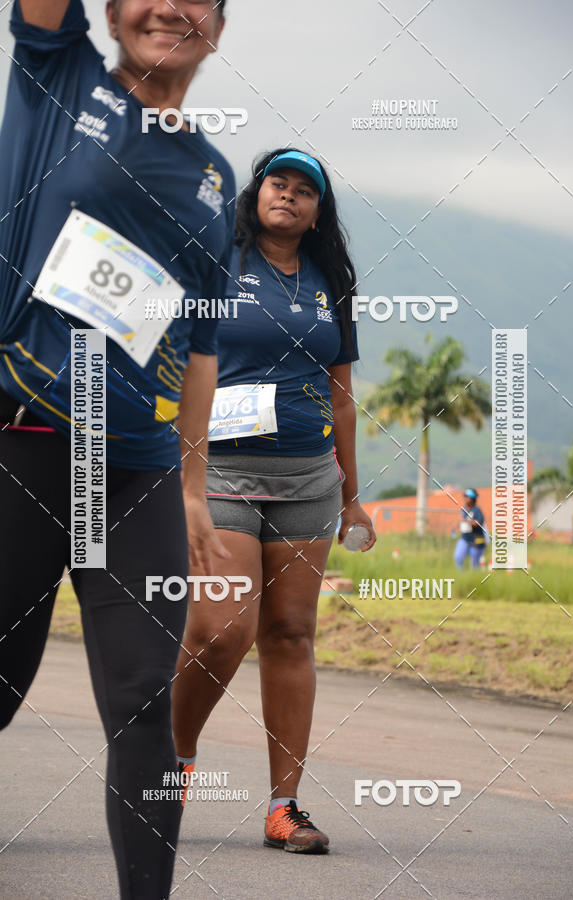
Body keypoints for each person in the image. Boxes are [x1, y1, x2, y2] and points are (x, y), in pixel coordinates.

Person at [0, 1, 234, 897]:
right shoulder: (58, 75)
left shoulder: (213, 176)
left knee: (144, 700)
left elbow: (202, 344)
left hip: (133, 465)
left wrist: (190, 482)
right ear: (106, 10)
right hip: (24, 435)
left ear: (218, 27)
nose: (167, 7)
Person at [172, 148, 376, 855]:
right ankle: (173, 760)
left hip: (307, 481)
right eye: (277, 183)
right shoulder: (213, 261)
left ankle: (284, 807)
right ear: (256, 193)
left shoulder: (330, 284)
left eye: (304, 190)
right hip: (220, 474)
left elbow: (343, 396)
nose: (287, 195)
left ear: (319, 211)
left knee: (291, 635)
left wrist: (353, 497)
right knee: (222, 630)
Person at [454, 488, 487, 569]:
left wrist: (467, 522)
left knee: (475, 563)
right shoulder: (464, 509)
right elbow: (460, 521)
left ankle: (476, 580)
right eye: (464, 496)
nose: (465, 498)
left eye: (467, 497)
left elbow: (480, 523)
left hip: (476, 540)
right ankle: (461, 577)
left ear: (473, 499)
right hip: (465, 538)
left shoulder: (477, 510)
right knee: (458, 557)